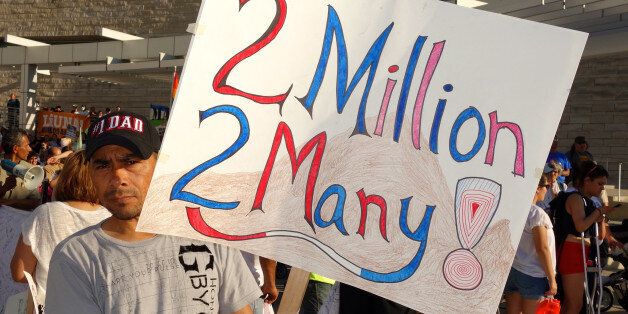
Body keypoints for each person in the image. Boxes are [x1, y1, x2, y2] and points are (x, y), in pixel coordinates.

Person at [45, 112, 260, 313]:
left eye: (130, 162)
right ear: (90, 173)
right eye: (102, 165)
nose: (118, 176)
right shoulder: (75, 257)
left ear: (159, 165)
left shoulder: (206, 234)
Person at [10, 150, 110, 310]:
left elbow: (20, 273)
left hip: (50, 305)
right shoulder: (112, 219)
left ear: (66, 176)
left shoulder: (45, 213)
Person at [551, 161, 611, 314]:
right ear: (587, 181)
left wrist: (599, 216)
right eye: (599, 183)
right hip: (572, 251)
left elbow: (597, 233)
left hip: (582, 249)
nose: (602, 188)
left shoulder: (586, 200)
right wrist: (598, 213)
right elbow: (580, 226)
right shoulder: (575, 198)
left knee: (575, 303)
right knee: (574, 303)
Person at [504, 173, 557, 314]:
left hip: (514, 270)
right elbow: (542, 248)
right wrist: (552, 279)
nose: (548, 189)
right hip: (534, 274)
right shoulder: (537, 214)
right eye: (546, 186)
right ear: (537, 188)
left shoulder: (515, 210)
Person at [0, 129, 41, 210]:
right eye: (27, 146)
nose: (30, 149)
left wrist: (12, 202)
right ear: (15, 149)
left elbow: (36, 202)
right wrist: (4, 189)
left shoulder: (30, 169)